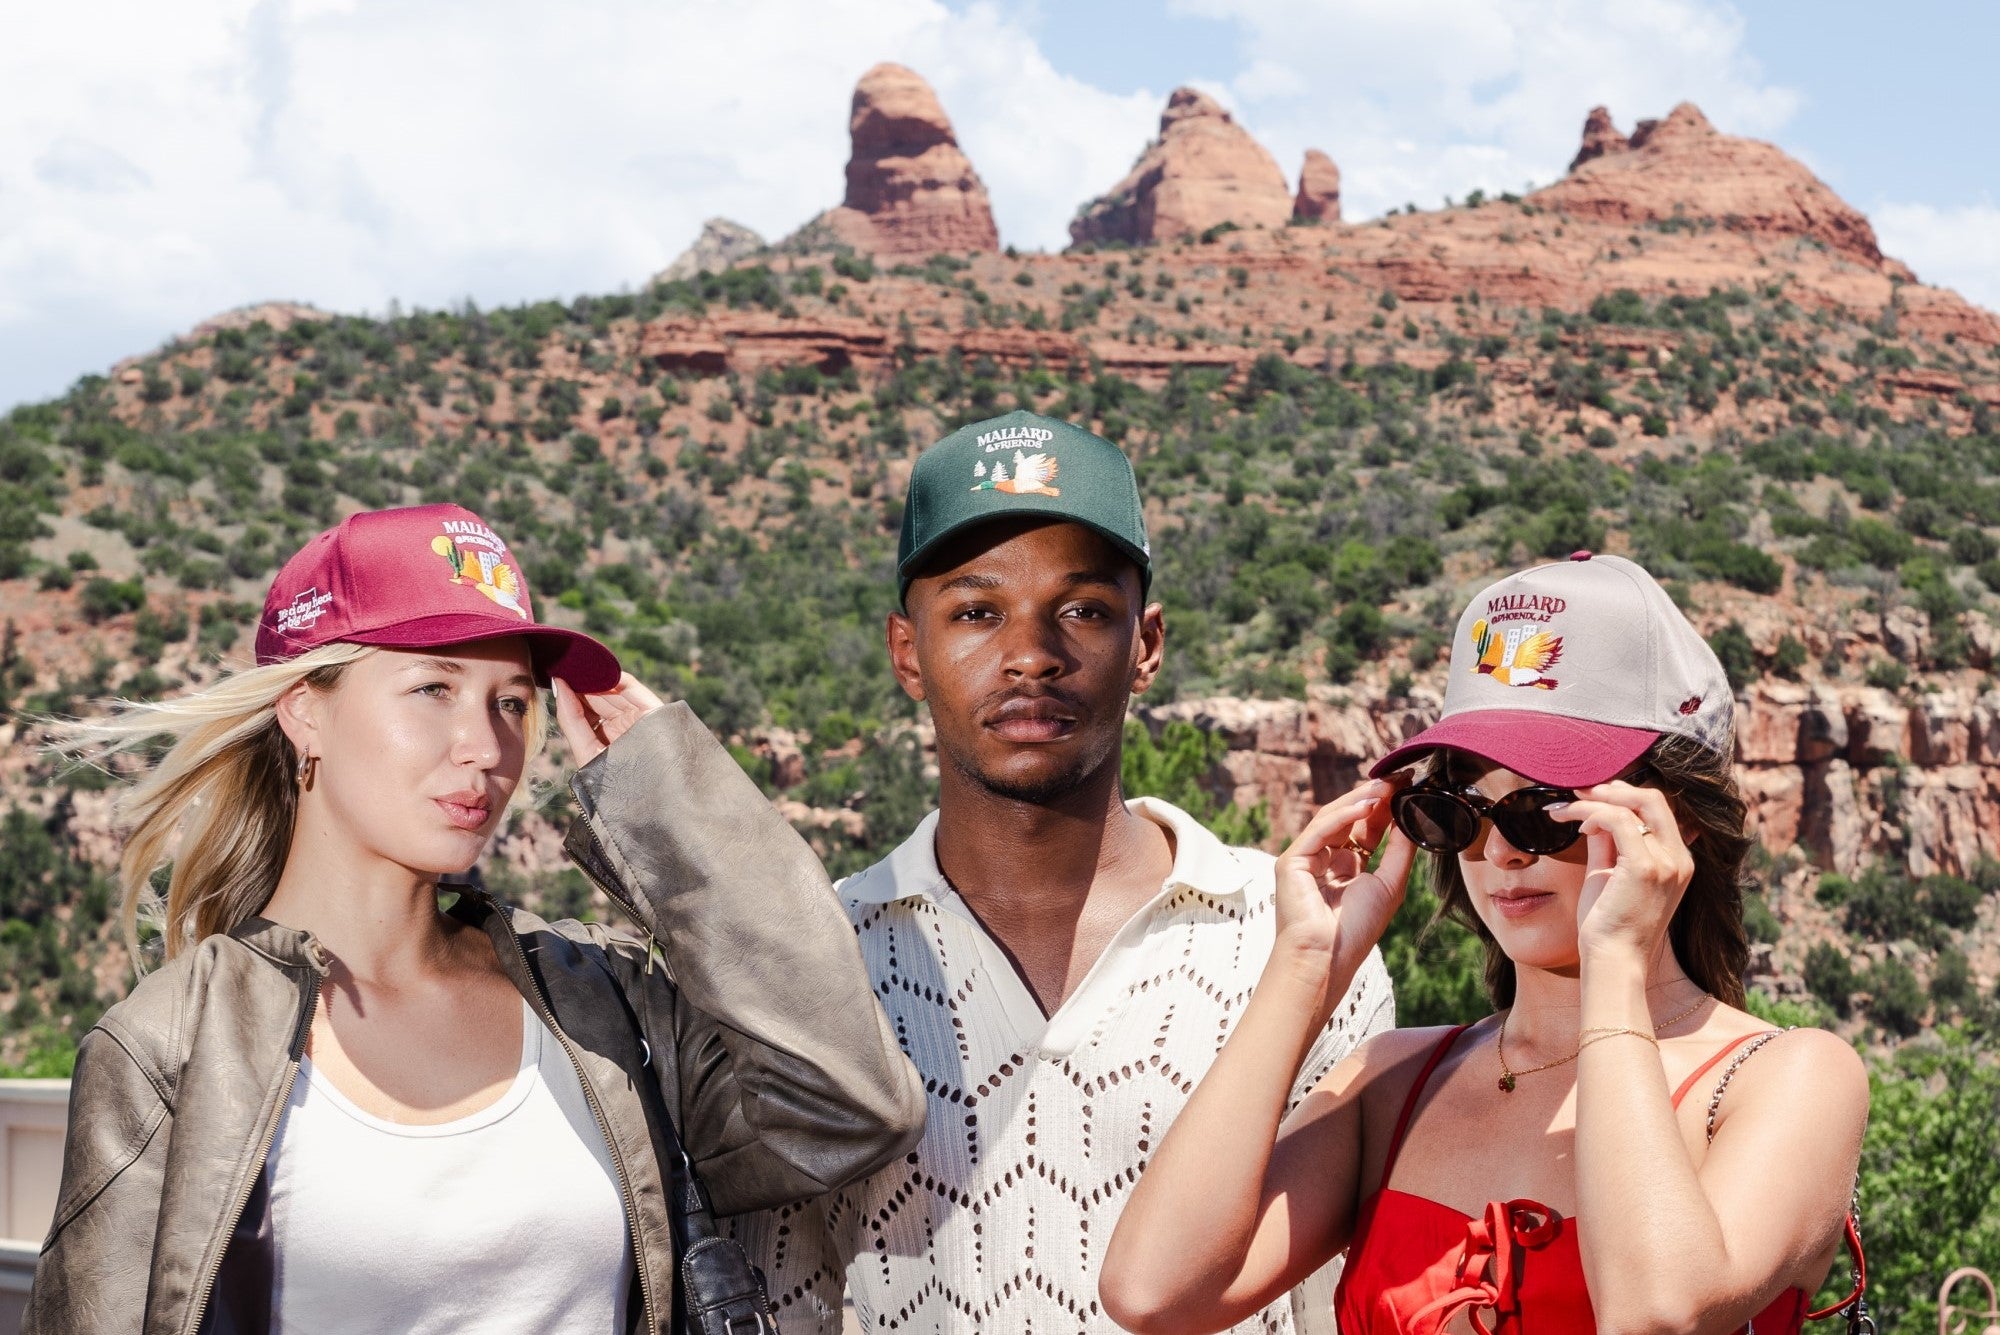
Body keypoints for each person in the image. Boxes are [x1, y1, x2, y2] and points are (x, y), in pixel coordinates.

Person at [26, 503, 924, 1335]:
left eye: (510, 702)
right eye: (434, 689)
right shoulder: (170, 1049)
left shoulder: (601, 1007)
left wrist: (669, 795)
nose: (486, 747)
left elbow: (849, 1105)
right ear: (306, 712)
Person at [728, 411, 1394, 1334]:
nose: (1031, 654)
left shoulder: (1293, 938)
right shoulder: (823, 959)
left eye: (1082, 609)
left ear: (1147, 643)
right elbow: (784, 1301)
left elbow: (1345, 1303)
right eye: (975, 611)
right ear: (905, 651)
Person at [1100, 551, 1870, 1335]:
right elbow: (1153, 1291)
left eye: (1544, 809)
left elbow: (1655, 1310)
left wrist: (1614, 963)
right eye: (1459, 807)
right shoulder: (1395, 1082)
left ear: (1679, 820)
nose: (1500, 850)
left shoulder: (1785, 1079)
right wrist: (1305, 966)